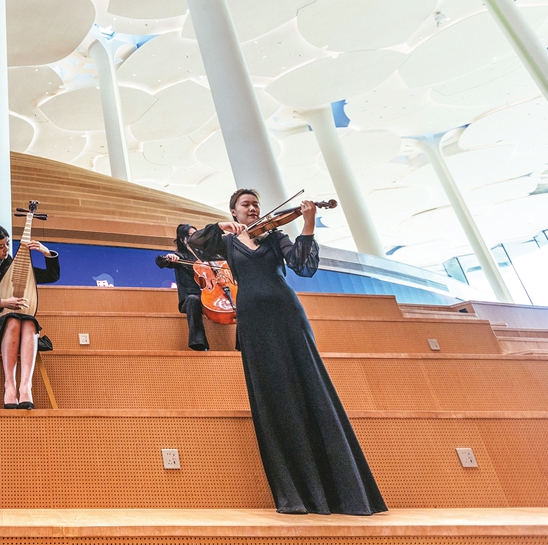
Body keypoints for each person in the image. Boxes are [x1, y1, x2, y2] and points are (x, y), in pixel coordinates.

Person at [189, 189, 385, 516]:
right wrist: (223, 226)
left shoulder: (276, 236)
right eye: (246, 205)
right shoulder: (226, 242)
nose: (253, 208)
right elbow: (195, 242)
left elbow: (303, 267)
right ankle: (296, 493)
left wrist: (308, 224)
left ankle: (343, 494)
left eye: (256, 204)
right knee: (272, 393)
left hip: (288, 314)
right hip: (252, 320)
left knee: (309, 385)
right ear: (234, 211)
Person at [0, 224, 59, 409]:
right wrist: (2, 303)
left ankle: (26, 385)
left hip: (21, 325)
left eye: (8, 245)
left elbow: (52, 275)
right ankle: (9, 385)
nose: (5, 250)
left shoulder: (18, 268)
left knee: (28, 321)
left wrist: (45, 251)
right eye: (0, 246)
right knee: (13, 320)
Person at [155, 223, 210, 351]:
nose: (194, 238)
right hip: (191, 299)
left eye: (196, 235)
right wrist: (169, 258)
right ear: (182, 239)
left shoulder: (205, 257)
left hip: (210, 297)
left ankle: (240, 344)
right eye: (190, 235)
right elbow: (161, 261)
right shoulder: (180, 256)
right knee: (193, 299)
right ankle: (198, 342)